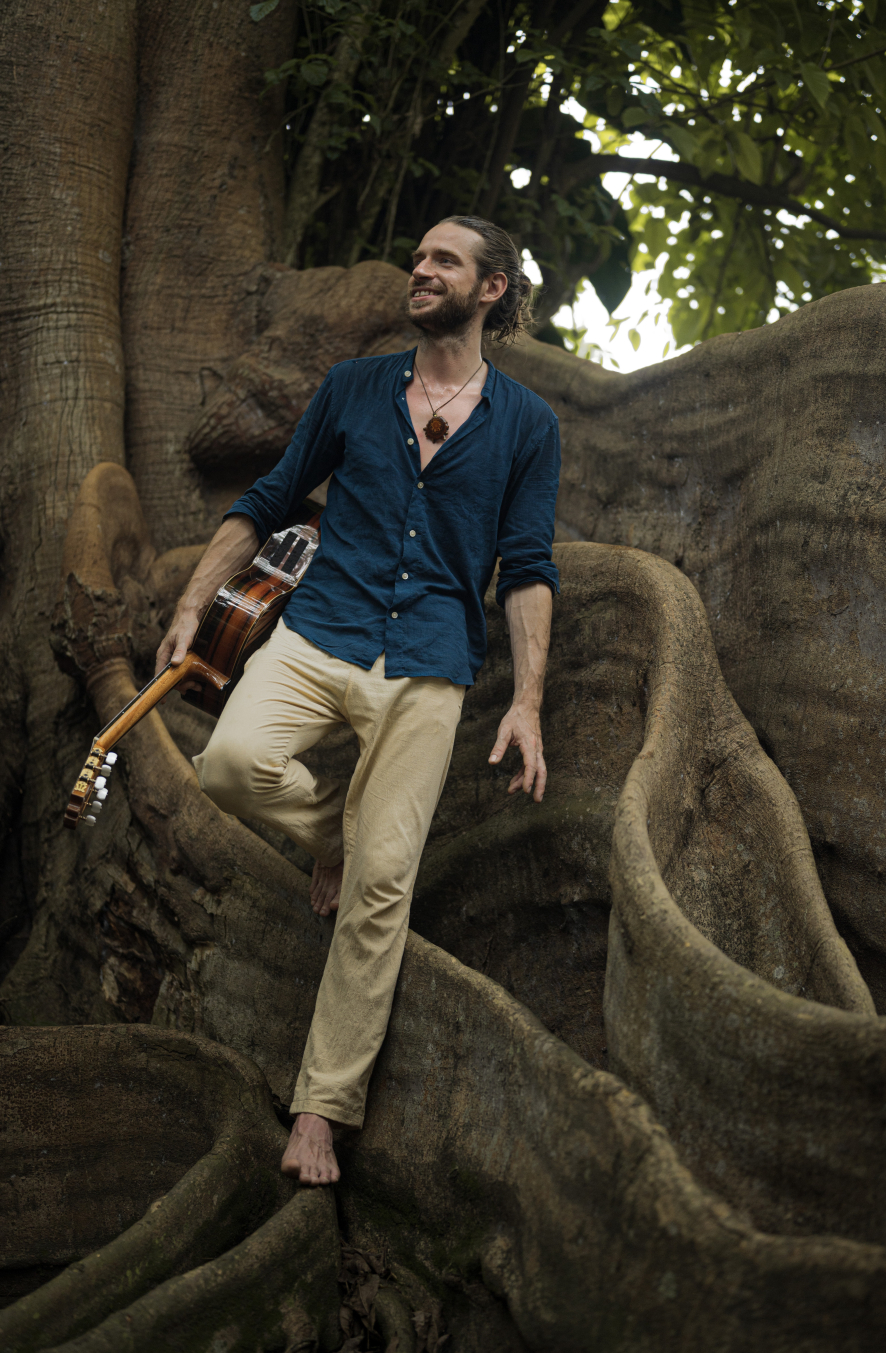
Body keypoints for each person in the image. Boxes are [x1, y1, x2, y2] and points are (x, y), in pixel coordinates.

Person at [155, 215, 560, 1186]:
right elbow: (268, 501)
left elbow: (531, 569)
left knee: (382, 890)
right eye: (418, 259)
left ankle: (320, 1112)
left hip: (429, 664)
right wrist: (189, 607)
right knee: (230, 763)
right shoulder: (353, 387)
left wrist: (529, 702)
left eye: (442, 262)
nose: (419, 272)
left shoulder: (529, 426)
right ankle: (329, 834)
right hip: (319, 628)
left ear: (491, 289)